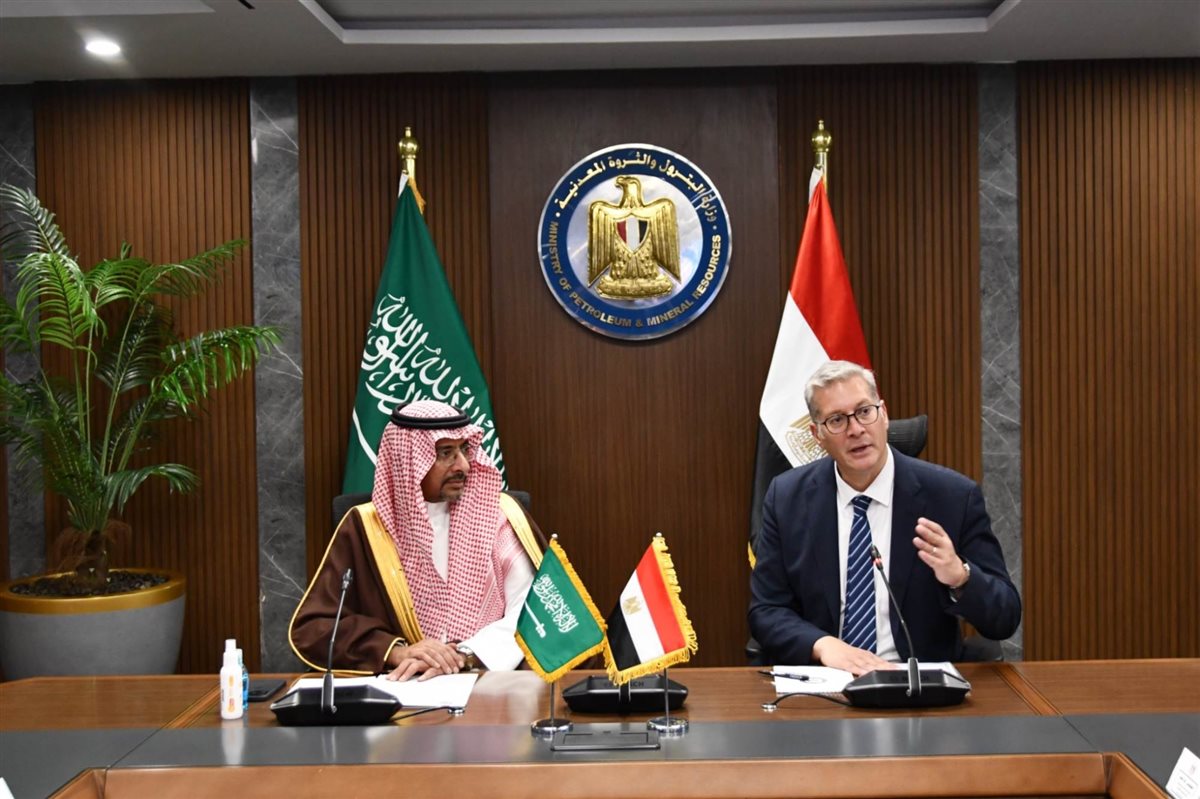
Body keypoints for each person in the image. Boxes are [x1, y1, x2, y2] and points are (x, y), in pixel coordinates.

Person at [748, 361, 1020, 674]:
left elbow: (1005, 618)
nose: (856, 429)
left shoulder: (952, 497)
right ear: (817, 434)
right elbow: (766, 610)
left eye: (865, 411)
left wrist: (961, 577)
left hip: (917, 684)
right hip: (826, 679)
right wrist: (823, 646)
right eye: (837, 420)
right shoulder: (787, 499)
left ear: (884, 414)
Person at [289, 400, 542, 680]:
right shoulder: (366, 528)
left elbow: (532, 610)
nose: (463, 465)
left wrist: (465, 655)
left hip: (487, 677)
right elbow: (315, 628)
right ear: (408, 461)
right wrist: (394, 652)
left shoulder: (500, 515)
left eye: (465, 450)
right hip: (401, 686)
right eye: (445, 453)